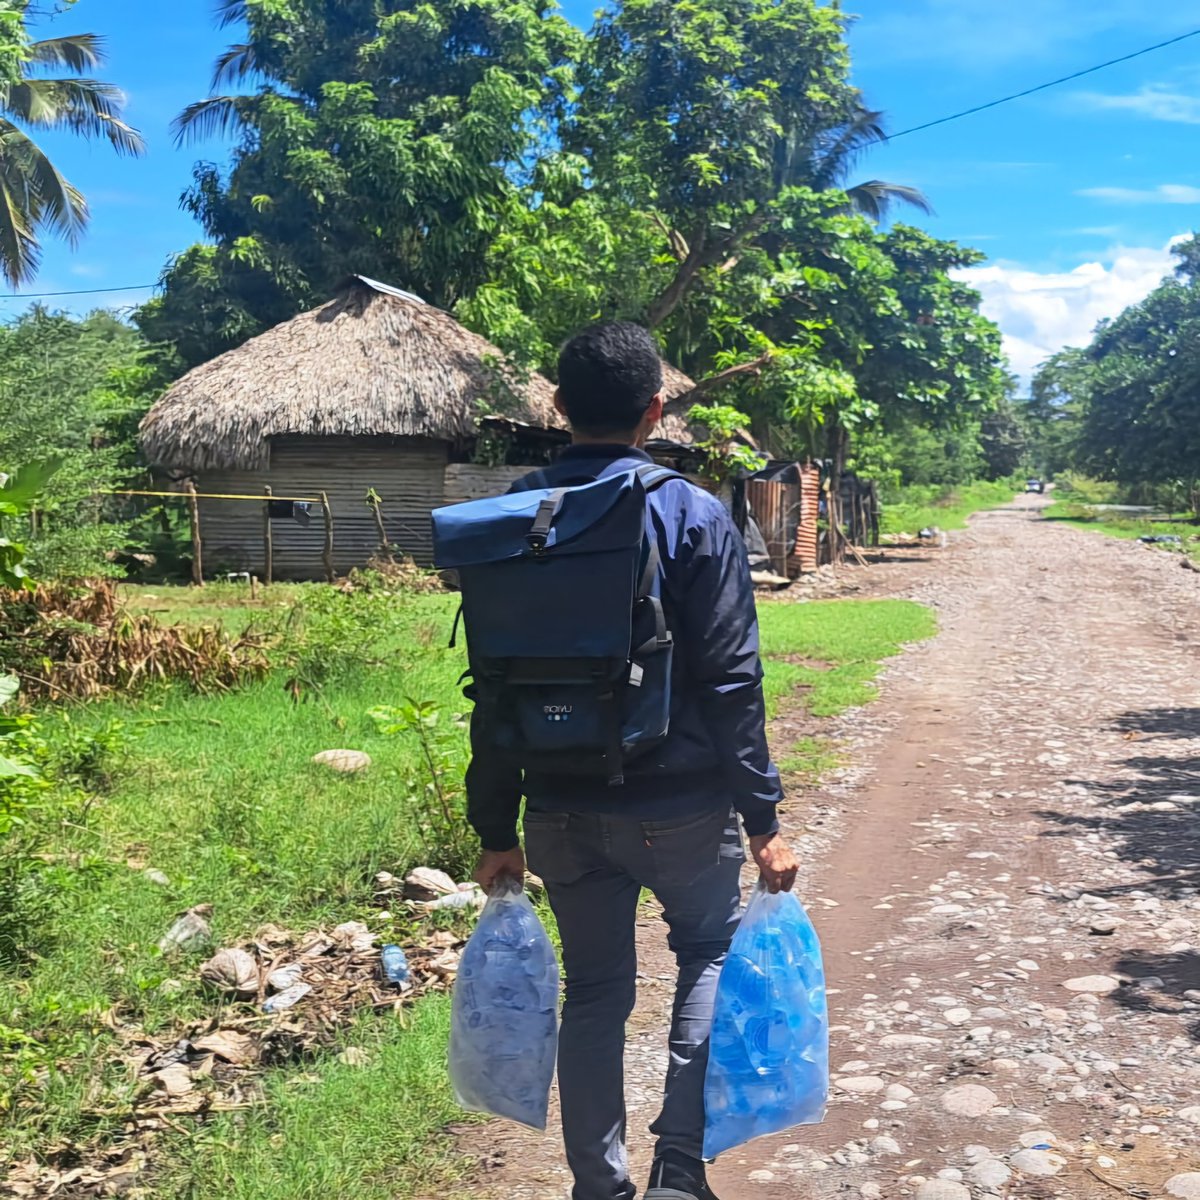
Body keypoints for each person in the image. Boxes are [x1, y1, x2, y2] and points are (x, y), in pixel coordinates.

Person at [468, 321, 799, 1200]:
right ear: (656, 410)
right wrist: (762, 819)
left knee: (594, 992)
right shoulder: (693, 513)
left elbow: (493, 686)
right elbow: (732, 680)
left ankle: (598, 1185)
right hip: (682, 805)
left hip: (559, 805)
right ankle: (679, 1171)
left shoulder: (513, 517)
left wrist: (495, 828)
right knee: (707, 957)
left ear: (557, 406)